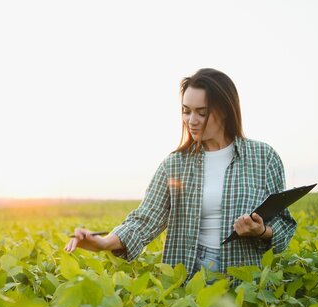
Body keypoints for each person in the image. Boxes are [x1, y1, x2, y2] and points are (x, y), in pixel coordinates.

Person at [64, 68, 297, 280]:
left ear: (225, 111)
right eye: (186, 111)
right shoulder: (174, 165)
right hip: (190, 274)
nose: (191, 121)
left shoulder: (264, 157)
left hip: (245, 274)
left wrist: (262, 231)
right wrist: (103, 243)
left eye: (201, 113)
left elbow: (284, 226)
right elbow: (145, 219)